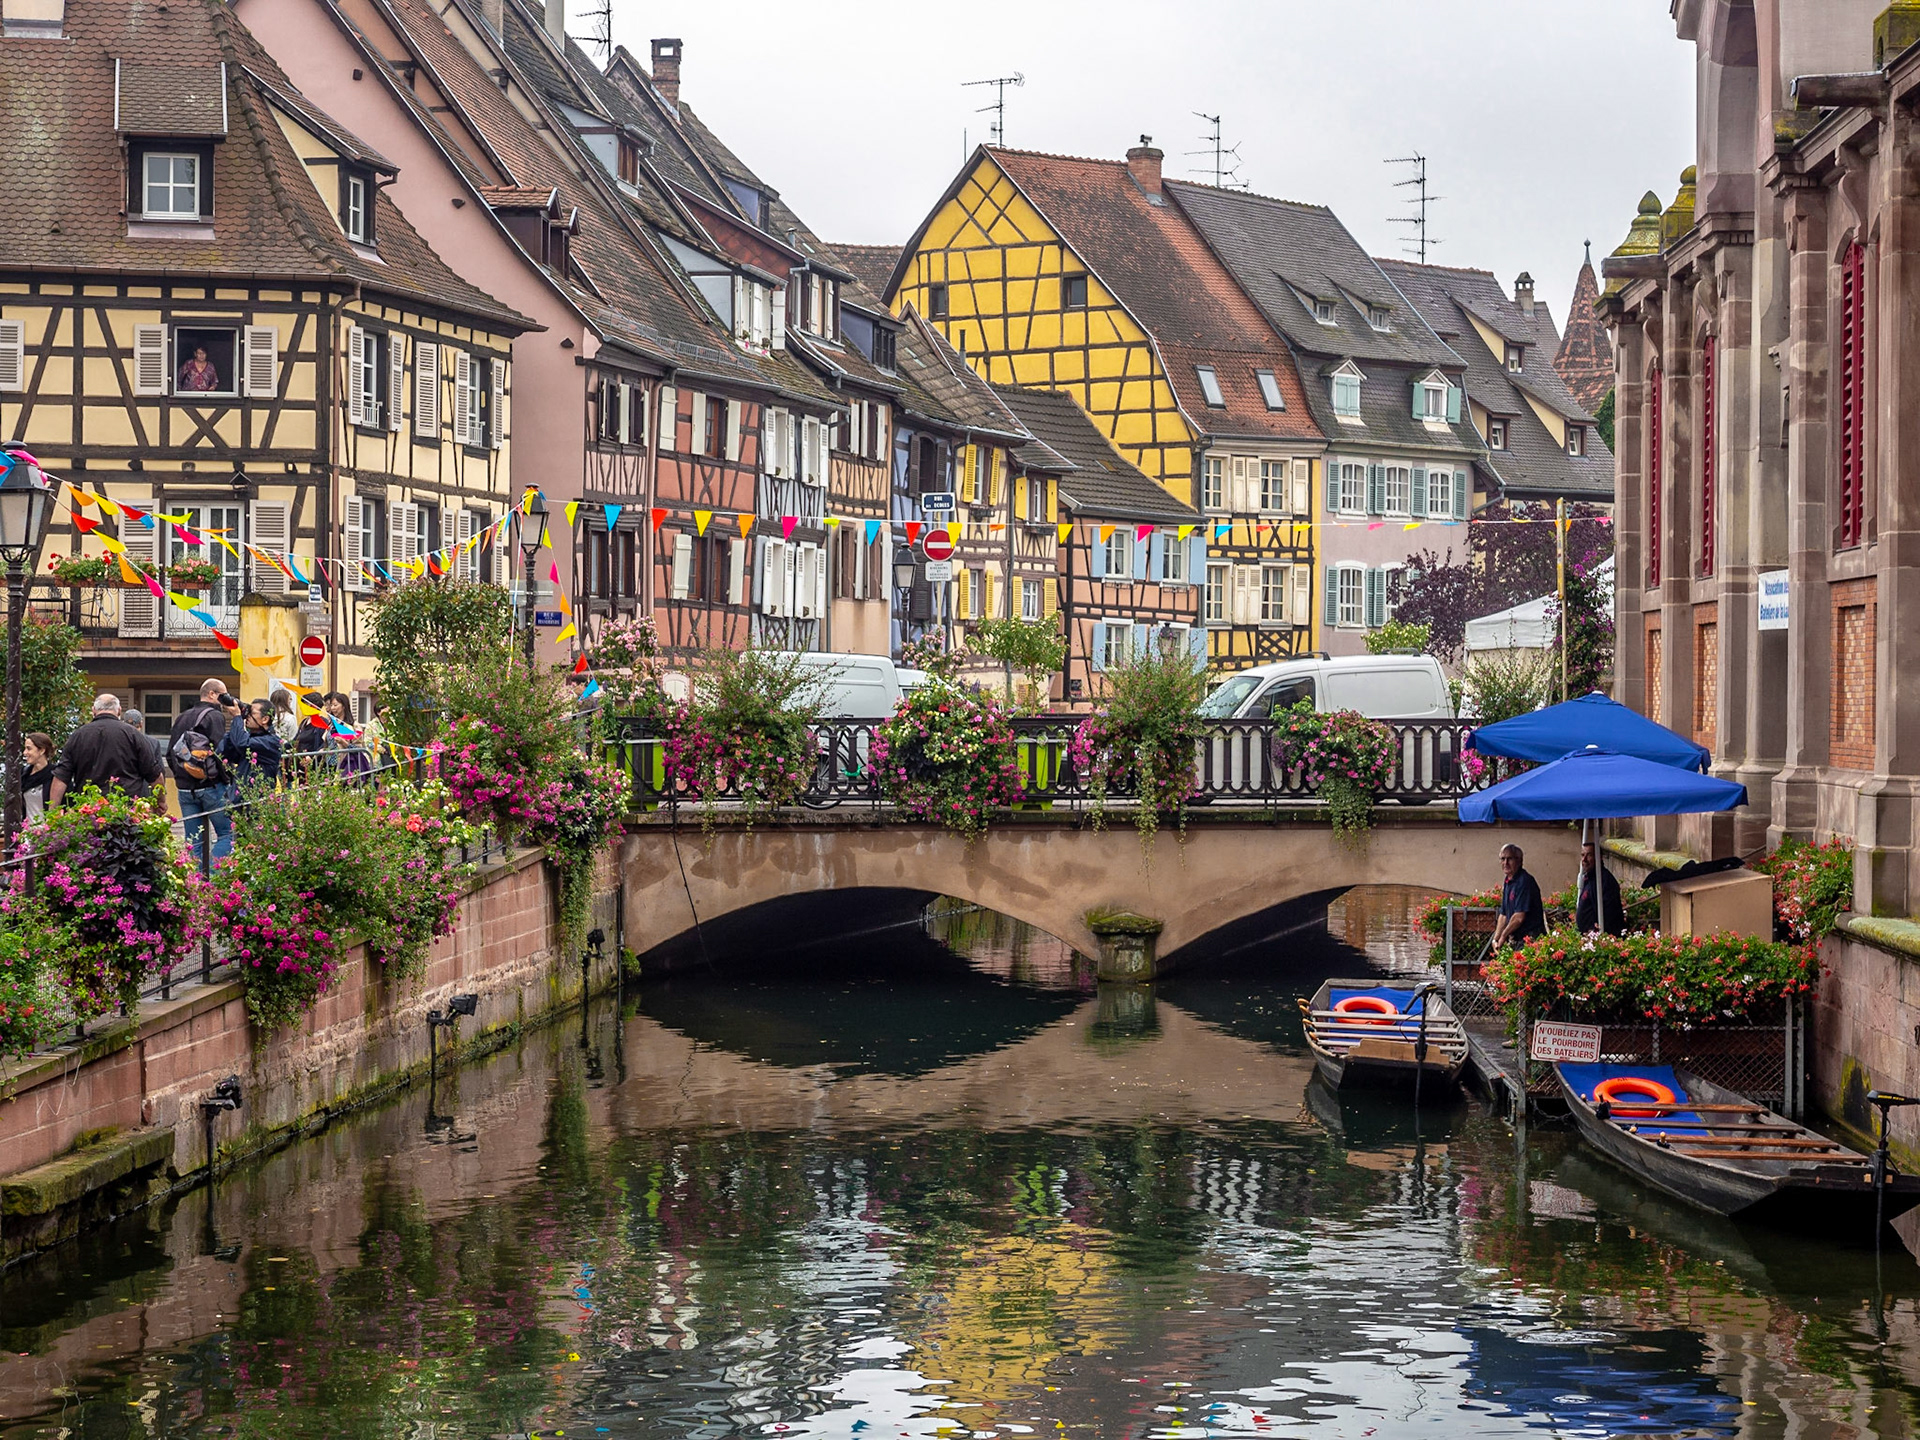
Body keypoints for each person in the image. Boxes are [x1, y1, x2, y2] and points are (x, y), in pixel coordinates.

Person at [49, 694, 163, 807]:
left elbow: (61, 776)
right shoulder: (133, 735)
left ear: (93, 710)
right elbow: (155, 775)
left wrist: (52, 810)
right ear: (119, 711)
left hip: (88, 810)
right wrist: (160, 802)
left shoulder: (78, 735)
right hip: (127, 810)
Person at [170, 679, 236, 861]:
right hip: (210, 786)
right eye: (223, 696)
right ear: (212, 694)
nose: (225, 701)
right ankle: (213, 880)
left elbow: (171, 752)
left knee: (193, 841)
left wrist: (181, 776)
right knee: (228, 835)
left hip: (184, 788)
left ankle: (195, 883)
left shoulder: (182, 716)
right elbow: (220, 752)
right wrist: (226, 779)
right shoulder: (214, 716)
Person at [1490, 842, 1546, 950]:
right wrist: (1495, 939)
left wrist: (1503, 937)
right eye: (1502, 859)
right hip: (1518, 939)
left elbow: (1519, 917)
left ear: (1519, 861)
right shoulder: (1508, 881)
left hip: (1530, 939)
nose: (1505, 863)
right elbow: (1503, 915)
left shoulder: (1524, 881)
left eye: (1510, 859)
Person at [227, 699, 283, 790]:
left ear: (265, 719)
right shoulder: (250, 737)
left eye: (251, 713)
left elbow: (242, 744)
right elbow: (227, 751)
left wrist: (237, 717)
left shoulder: (272, 742)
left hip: (256, 800)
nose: (247, 716)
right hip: (239, 797)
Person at [1576, 839, 1626, 937]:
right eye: (1582, 855)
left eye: (1589, 855)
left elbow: (1609, 915)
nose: (1584, 859)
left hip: (1601, 939)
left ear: (1599, 857)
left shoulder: (1604, 881)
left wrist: (1596, 932)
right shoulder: (1589, 878)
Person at [20, 732, 54, 823]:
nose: (25, 753)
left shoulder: (56, 776)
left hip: (49, 834)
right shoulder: (23, 775)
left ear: (42, 750)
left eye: (29, 749)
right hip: (27, 833)